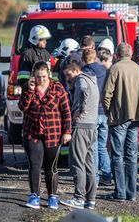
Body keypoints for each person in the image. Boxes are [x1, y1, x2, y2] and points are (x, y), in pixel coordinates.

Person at [18, 61, 72, 210]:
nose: (41, 80)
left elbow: (66, 112)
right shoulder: (28, 87)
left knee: (51, 167)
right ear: (33, 75)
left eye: (43, 76)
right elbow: (22, 107)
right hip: (32, 132)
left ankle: (52, 196)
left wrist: (67, 131)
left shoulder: (58, 88)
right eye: (38, 77)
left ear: (48, 73)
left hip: (53, 133)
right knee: (35, 165)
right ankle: (34, 195)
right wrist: (30, 90)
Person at [102, 43, 139, 202]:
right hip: (136, 118)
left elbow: (106, 95)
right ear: (130, 54)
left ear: (116, 54)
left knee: (117, 155)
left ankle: (120, 193)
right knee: (131, 156)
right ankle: (131, 193)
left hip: (118, 118)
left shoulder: (115, 69)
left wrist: (110, 112)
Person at [60, 54, 100, 210]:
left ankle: (78, 197)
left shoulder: (81, 80)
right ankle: (90, 199)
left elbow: (83, 91)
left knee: (77, 162)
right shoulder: (92, 78)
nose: (67, 77)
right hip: (92, 125)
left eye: (69, 74)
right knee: (89, 164)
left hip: (82, 125)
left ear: (76, 69)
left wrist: (78, 109)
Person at [82, 49, 112, 186]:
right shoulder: (105, 70)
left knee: (92, 147)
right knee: (102, 146)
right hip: (104, 112)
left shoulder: (85, 72)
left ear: (83, 59)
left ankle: (95, 178)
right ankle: (107, 175)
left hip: (93, 112)